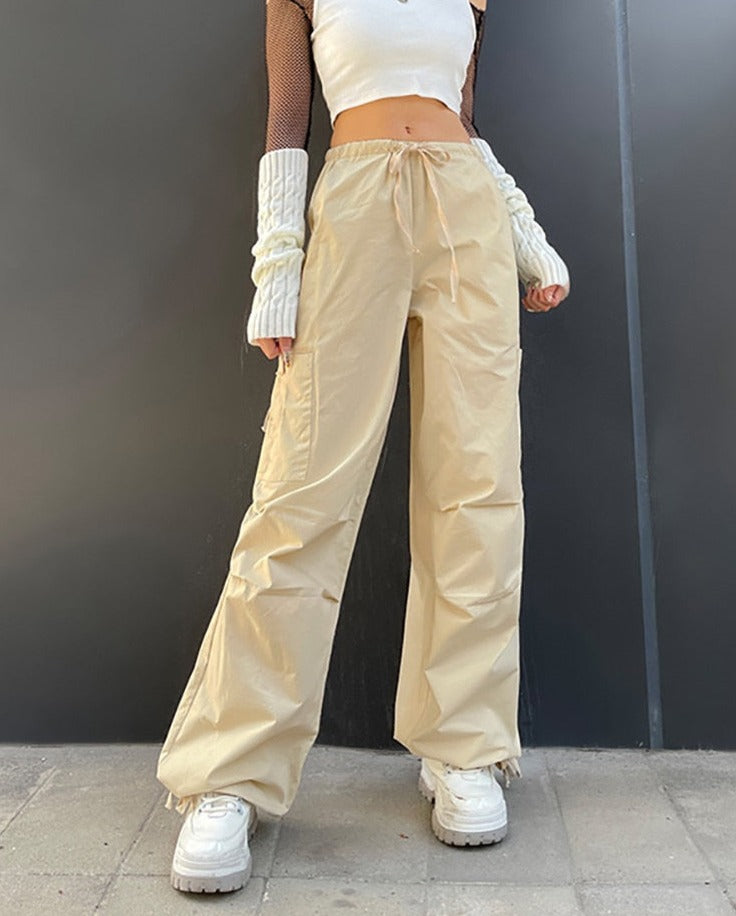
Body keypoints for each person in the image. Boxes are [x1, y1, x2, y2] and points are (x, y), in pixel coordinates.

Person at [157, 0, 570, 896]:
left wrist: (527, 238)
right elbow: (286, 125)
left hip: (465, 213)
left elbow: (466, 126)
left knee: (478, 485)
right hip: (355, 202)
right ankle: (230, 773)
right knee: (301, 488)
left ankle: (464, 748)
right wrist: (277, 265)